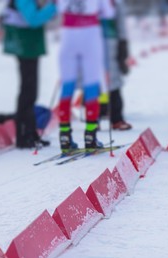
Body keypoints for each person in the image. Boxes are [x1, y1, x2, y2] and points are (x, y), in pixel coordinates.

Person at [56, 0, 116, 152]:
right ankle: (90, 136)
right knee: (91, 85)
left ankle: (64, 136)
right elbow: (109, 13)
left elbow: (56, 8)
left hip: (68, 35)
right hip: (90, 34)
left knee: (67, 86)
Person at [2, 0, 56, 149]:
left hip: (28, 44)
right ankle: (23, 136)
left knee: (31, 90)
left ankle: (30, 133)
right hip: (24, 43)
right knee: (28, 90)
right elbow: (33, 19)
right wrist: (53, 7)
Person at [100, 0, 132, 131]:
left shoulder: (116, 3)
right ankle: (96, 114)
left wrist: (123, 46)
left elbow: (121, 25)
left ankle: (116, 118)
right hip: (90, 38)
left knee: (112, 79)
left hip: (110, 40)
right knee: (92, 79)